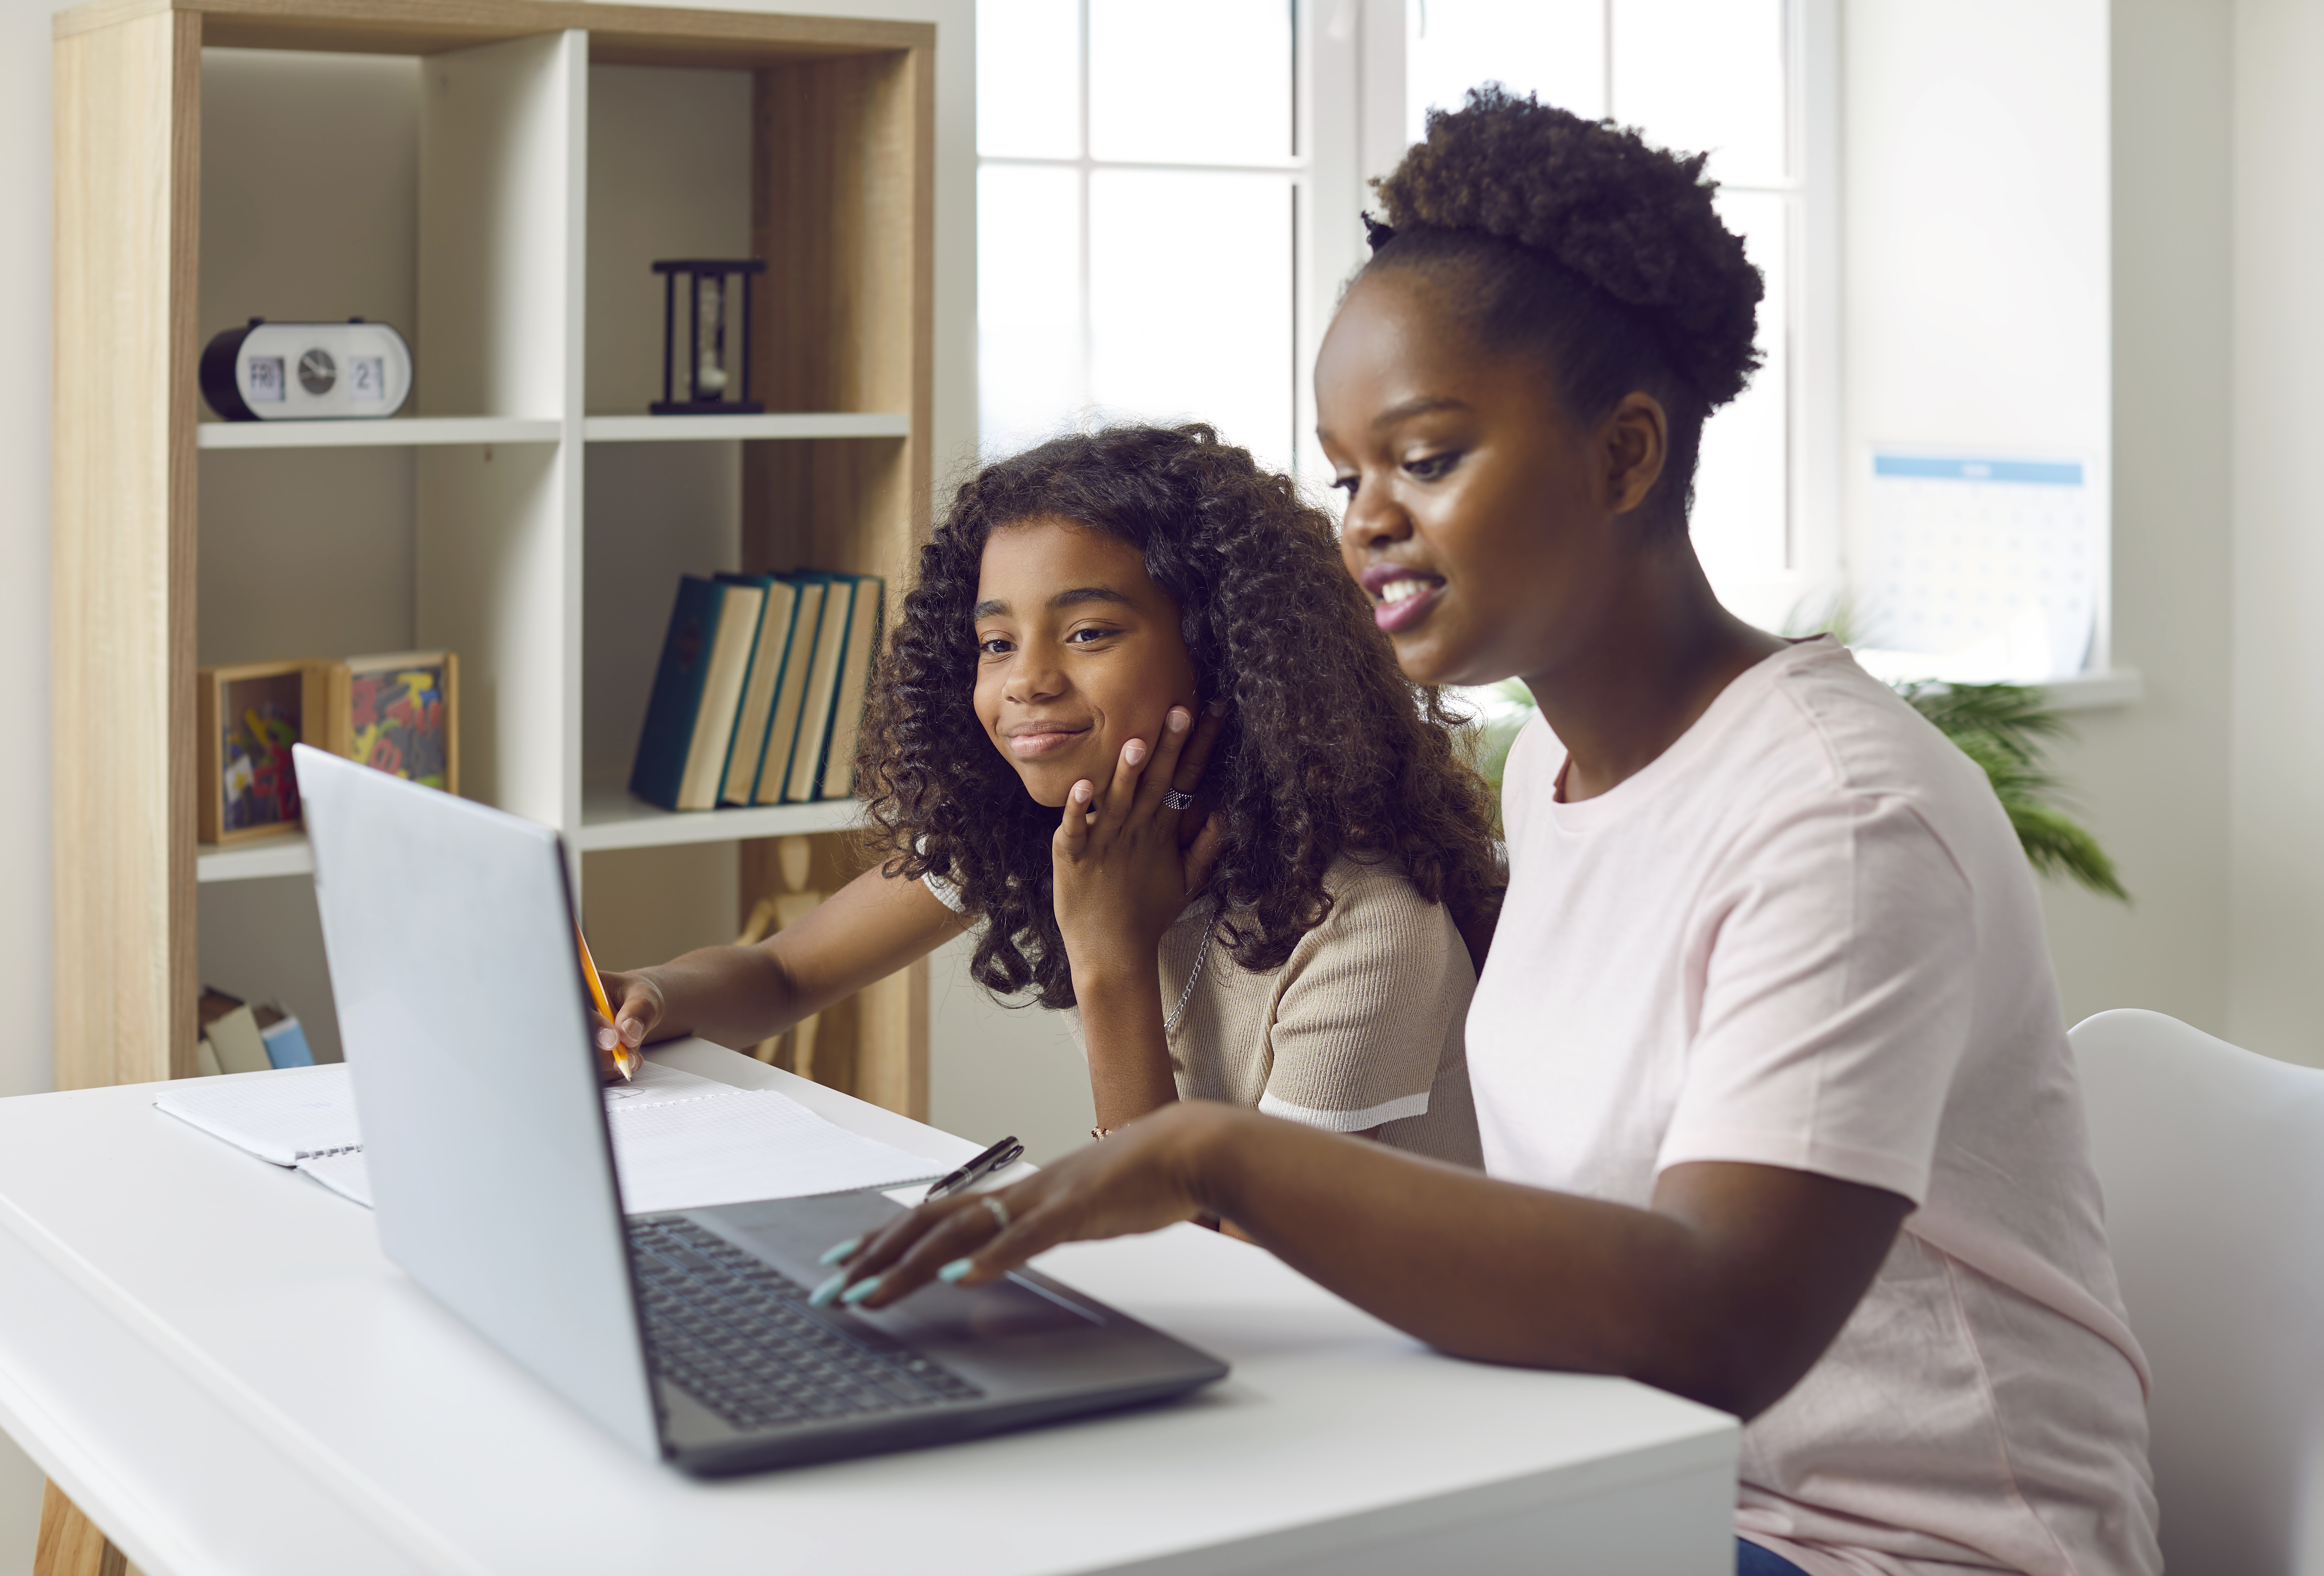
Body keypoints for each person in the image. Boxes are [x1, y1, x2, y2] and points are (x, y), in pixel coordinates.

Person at [817, 91, 2160, 1576]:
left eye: (1430, 458)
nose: (1369, 521)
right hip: (1622, 1468)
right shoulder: (1558, 774)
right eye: (1348, 474)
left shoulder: (1841, 817)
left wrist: (1222, 1155)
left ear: (1626, 455)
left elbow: (1721, 1317)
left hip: (1880, 1543)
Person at [600, 424, 1501, 1170]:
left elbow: (1211, 1261)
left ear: (1222, 649)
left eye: (1087, 632)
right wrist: (648, 993)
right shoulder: (1061, 826)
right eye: (996, 643)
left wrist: (1110, 961)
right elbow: (785, 973)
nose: (1026, 679)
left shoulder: (1368, 929)